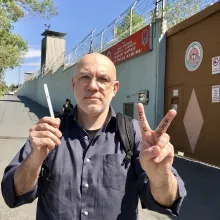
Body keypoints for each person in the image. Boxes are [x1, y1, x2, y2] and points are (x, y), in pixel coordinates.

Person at [1, 53, 186, 220]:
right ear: (73, 85)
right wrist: (34, 162)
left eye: (103, 79)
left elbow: (167, 201)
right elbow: (13, 193)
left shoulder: (134, 134)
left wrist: (161, 177)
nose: (92, 86)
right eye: (85, 77)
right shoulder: (49, 132)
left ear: (114, 88)